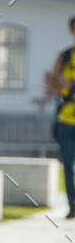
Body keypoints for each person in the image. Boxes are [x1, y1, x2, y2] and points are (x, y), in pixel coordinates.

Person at [50, 16, 75, 219]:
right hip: (66, 118)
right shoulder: (64, 55)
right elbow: (51, 84)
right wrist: (62, 86)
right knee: (67, 164)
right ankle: (72, 205)